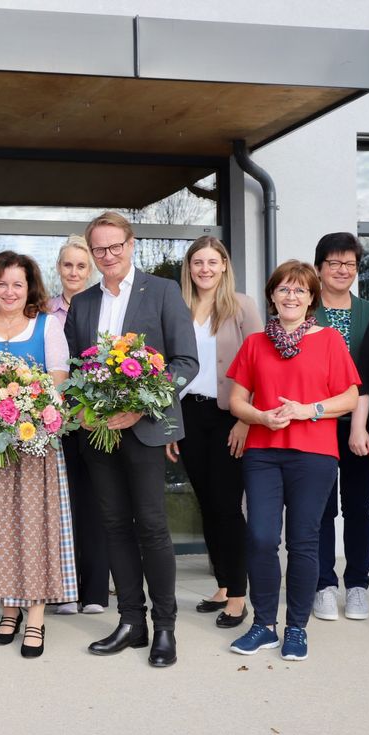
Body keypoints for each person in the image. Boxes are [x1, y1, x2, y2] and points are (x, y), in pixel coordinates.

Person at [64, 211, 198, 668]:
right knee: (115, 526)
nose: (108, 255)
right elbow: (76, 371)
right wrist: (83, 410)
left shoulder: (162, 291)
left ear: (131, 243)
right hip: (98, 434)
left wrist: (143, 405)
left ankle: (165, 628)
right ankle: (131, 622)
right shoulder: (82, 304)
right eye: (99, 248)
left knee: (153, 526)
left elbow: (185, 362)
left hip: (143, 429)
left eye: (115, 246)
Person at [227, 261, 360, 662]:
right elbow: (235, 400)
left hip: (315, 455)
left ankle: (297, 628)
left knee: (303, 542)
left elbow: (350, 398)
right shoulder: (254, 343)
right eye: (284, 289)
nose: (291, 296)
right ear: (272, 295)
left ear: (311, 298)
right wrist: (260, 417)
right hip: (263, 453)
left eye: (300, 290)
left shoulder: (330, 340)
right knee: (262, 538)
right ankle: (264, 625)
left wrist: (310, 410)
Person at [0, 251, 76, 658]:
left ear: (30, 288)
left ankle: (36, 617)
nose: (9, 291)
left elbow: (58, 382)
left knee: (34, 529)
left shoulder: (48, 325)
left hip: (33, 444)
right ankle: (9, 609)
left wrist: (26, 406)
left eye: (17, 284)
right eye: (2, 284)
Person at [166, 236, 262, 628]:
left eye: (212, 261)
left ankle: (238, 595)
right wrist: (170, 425)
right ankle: (223, 585)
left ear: (224, 265)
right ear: (189, 268)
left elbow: (260, 362)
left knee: (226, 505)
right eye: (197, 262)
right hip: (188, 416)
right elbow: (168, 369)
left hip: (228, 416)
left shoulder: (241, 306)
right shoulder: (179, 308)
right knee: (206, 502)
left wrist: (245, 418)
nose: (205, 269)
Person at [311, 233, 369, 622]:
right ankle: (323, 585)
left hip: (359, 427)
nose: (342, 271)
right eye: (334, 263)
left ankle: (357, 586)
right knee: (319, 509)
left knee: (358, 507)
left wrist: (360, 425)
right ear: (319, 267)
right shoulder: (303, 308)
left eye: (349, 264)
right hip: (314, 424)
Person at [47, 235, 108, 617]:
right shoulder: (45, 312)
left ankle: (96, 592)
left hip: (96, 418)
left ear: (92, 269)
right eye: (68, 265)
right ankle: (64, 590)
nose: (74, 272)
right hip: (56, 422)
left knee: (96, 502)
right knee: (59, 505)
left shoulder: (104, 307)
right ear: (59, 269)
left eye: (81, 266)